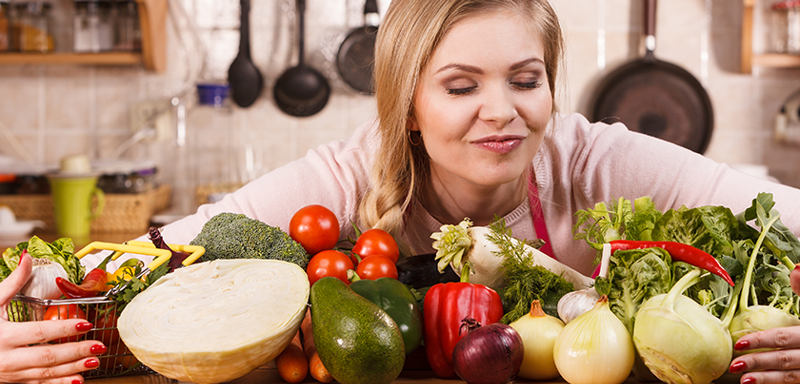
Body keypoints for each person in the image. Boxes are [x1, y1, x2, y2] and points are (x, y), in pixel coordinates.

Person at [3, 0, 800, 383]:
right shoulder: (344, 177)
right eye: (461, 86)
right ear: (409, 108)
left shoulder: (597, 160)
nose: (504, 110)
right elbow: (160, 250)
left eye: (527, 80)